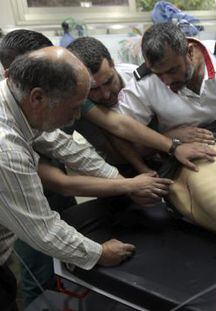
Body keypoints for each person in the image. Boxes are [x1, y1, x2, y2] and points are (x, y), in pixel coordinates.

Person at [0, 46, 164, 309]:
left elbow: (65, 146)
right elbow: (43, 230)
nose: (76, 118)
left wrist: (120, 181)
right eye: (74, 108)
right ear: (38, 98)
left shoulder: (18, 104)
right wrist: (99, 253)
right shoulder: (5, 148)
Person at [117, 22, 216, 174]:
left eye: (173, 70)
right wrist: (169, 139)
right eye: (159, 74)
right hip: (189, 171)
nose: (167, 81)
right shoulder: (144, 84)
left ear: (189, 52)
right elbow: (123, 133)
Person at [66, 36, 216, 174]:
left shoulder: (141, 80)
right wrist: (169, 139)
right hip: (117, 168)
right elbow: (118, 130)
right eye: (94, 89)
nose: (105, 94)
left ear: (113, 63)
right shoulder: (77, 103)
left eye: (108, 81)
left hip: (164, 154)